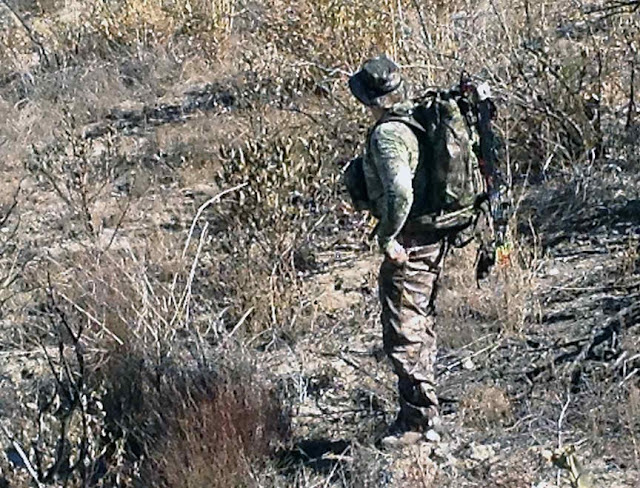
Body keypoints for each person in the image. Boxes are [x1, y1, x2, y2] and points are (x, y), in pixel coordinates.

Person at [347, 55, 490, 447]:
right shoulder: (417, 116)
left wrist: (387, 237)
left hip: (413, 240)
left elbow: (400, 191)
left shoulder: (388, 135)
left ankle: (418, 422)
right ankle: (423, 409)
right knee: (420, 319)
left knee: (404, 328)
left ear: (368, 98)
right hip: (435, 233)